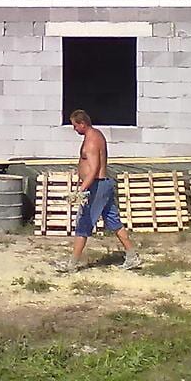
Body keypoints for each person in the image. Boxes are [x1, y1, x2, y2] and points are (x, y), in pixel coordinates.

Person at [55, 109, 142, 273]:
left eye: (75, 126)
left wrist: (81, 190)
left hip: (97, 186)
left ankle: (72, 264)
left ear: (82, 123)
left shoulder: (92, 141)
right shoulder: (96, 135)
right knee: (113, 221)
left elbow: (94, 169)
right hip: (101, 185)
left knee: (83, 223)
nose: (74, 129)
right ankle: (132, 256)